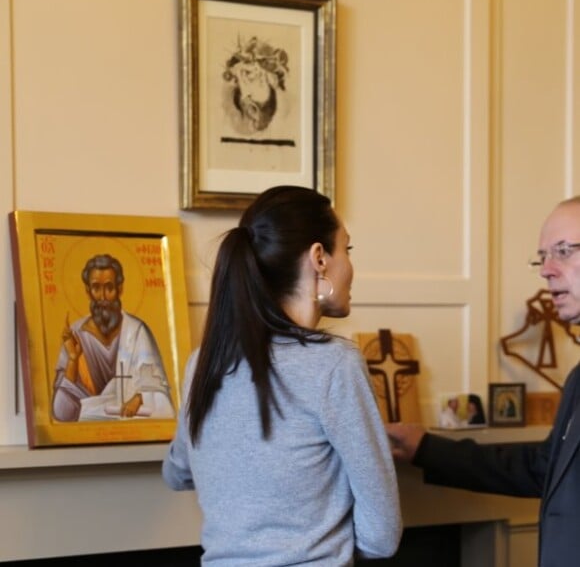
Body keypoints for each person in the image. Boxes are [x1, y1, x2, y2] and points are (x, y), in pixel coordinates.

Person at [162, 186, 402, 566]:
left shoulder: (202, 363)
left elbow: (176, 473)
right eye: (347, 250)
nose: (351, 266)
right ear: (319, 259)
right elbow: (382, 535)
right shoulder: (334, 365)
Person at [386, 195, 580, 567]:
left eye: (563, 251)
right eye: (542, 257)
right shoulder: (577, 379)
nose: (546, 270)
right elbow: (543, 468)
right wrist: (425, 448)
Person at [53, 253, 174, 421]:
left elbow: (156, 388)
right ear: (88, 291)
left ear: (120, 289)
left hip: (130, 420)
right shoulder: (76, 335)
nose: (103, 297)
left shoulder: (136, 331)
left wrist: (139, 398)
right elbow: (61, 412)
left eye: (109, 288)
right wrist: (73, 359)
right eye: (96, 288)